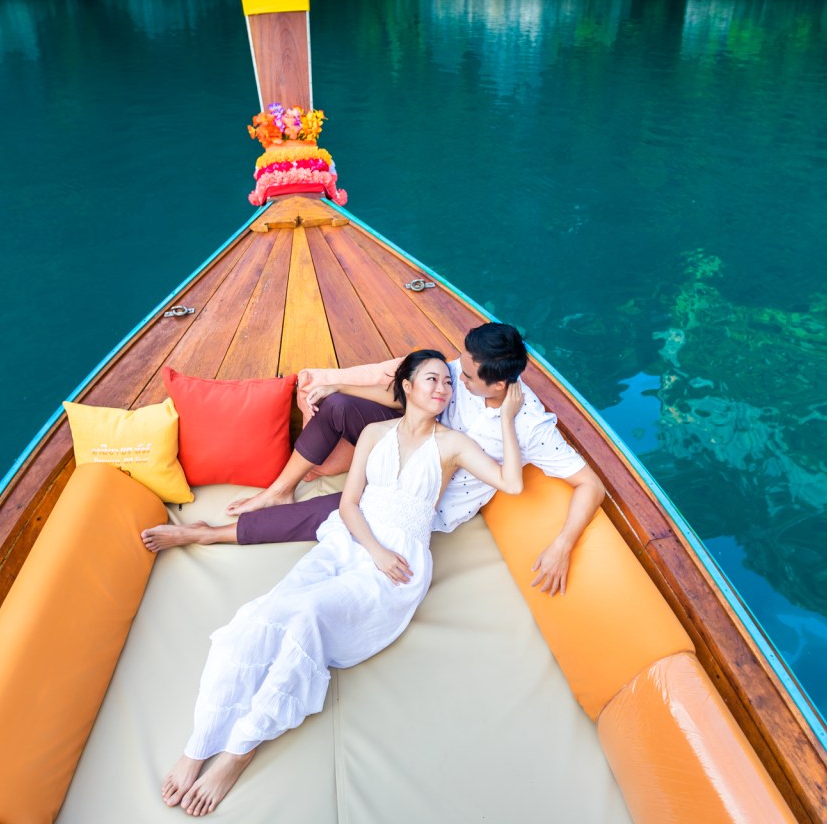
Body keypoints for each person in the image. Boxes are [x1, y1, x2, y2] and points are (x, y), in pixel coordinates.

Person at [160, 351, 525, 815]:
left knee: (306, 614)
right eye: (431, 379)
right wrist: (370, 547)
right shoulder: (375, 433)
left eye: (448, 384)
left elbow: (511, 483)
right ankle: (200, 743)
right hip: (349, 541)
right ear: (406, 387)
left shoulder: (452, 444)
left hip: (398, 565)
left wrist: (508, 417)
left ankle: (240, 748)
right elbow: (349, 504)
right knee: (260, 616)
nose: (442, 389)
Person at [142, 323, 604, 595]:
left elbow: (591, 485)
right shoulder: (459, 378)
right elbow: (404, 393)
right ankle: (278, 490)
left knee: (335, 511)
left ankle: (207, 535)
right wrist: (336, 385)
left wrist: (562, 544)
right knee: (340, 407)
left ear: (499, 385)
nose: (454, 379)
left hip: (423, 493)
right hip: (406, 436)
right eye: (455, 368)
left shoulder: (530, 426)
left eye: (464, 374)